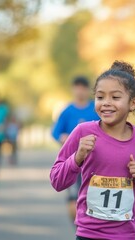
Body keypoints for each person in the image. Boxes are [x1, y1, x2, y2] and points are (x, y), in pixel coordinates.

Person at [50, 61, 135, 240]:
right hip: (88, 233)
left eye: (115, 97)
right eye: (100, 97)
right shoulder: (82, 132)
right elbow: (57, 180)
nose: (106, 103)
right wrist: (77, 157)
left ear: (133, 103)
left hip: (128, 234)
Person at [51, 76, 101, 223]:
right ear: (73, 90)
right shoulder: (67, 111)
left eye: (83, 88)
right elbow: (55, 132)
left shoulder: (95, 109)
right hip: (72, 161)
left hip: (94, 162)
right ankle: (79, 228)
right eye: (77, 88)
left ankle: (91, 228)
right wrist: (63, 138)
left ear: (87, 90)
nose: (80, 91)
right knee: (73, 200)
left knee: (92, 199)